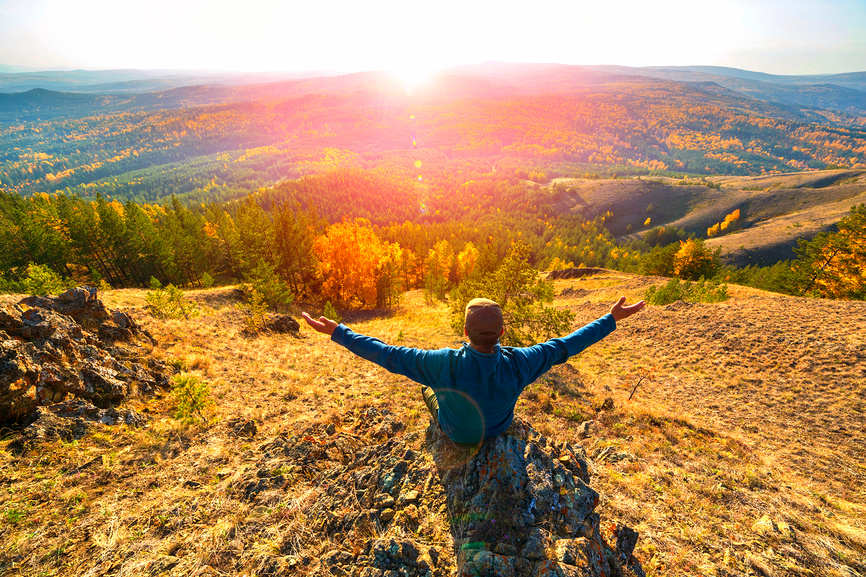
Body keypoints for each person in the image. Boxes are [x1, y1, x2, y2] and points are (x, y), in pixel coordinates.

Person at [302, 296, 645, 446]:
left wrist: (338, 332)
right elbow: (568, 344)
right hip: (497, 430)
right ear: (502, 334)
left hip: (455, 433)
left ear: (465, 333)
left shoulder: (442, 363)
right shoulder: (521, 362)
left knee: (428, 388)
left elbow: (388, 355)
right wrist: (611, 318)